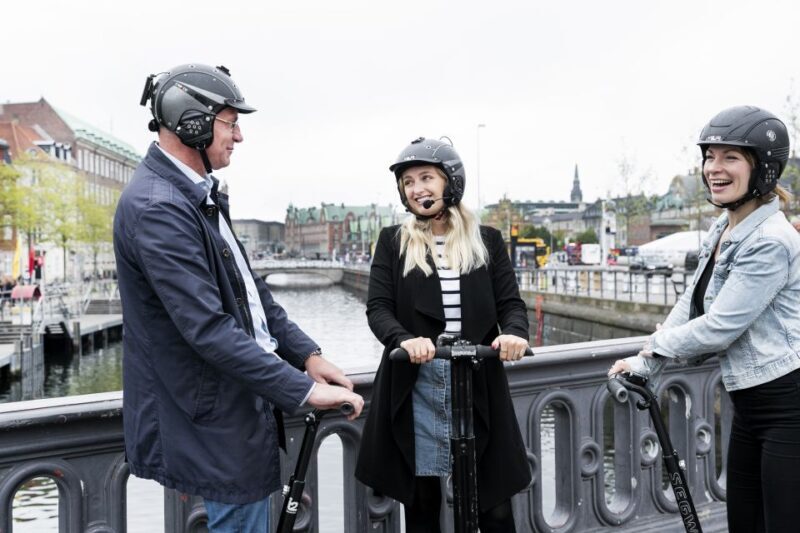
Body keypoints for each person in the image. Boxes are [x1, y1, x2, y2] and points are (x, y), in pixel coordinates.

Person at [114, 63, 363, 532]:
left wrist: (307, 354)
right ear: (193, 121)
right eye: (231, 121)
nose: (239, 135)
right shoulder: (159, 208)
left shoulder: (194, 196)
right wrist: (305, 391)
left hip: (234, 409)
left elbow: (253, 297)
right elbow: (208, 329)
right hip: (211, 418)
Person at [608, 105, 800, 533]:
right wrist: (649, 360)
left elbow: (720, 325)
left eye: (730, 157)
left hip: (787, 403)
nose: (714, 168)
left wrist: (655, 351)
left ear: (763, 168)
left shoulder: (770, 240)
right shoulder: (723, 228)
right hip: (749, 405)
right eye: (710, 157)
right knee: (744, 522)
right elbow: (691, 304)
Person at [355, 137, 532, 532]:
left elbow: (510, 304)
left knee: (496, 505)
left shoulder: (487, 241)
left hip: (477, 378)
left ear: (449, 180)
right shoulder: (393, 242)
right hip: (417, 379)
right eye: (408, 182)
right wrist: (403, 339)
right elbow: (378, 308)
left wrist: (514, 334)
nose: (417, 189)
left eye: (426, 178)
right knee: (422, 503)